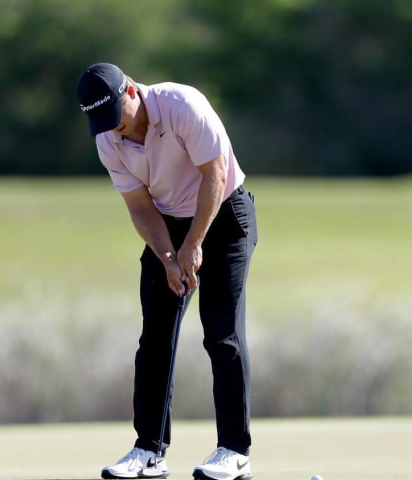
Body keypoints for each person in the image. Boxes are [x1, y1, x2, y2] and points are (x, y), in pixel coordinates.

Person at [76, 62, 257, 480]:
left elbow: (215, 175)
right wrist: (168, 257)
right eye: (103, 123)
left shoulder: (182, 105)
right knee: (156, 336)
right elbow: (139, 207)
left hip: (225, 214)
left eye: (116, 117)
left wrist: (194, 245)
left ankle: (234, 450)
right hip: (167, 221)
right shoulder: (108, 139)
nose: (115, 130)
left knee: (221, 331)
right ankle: (149, 452)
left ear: (132, 93)